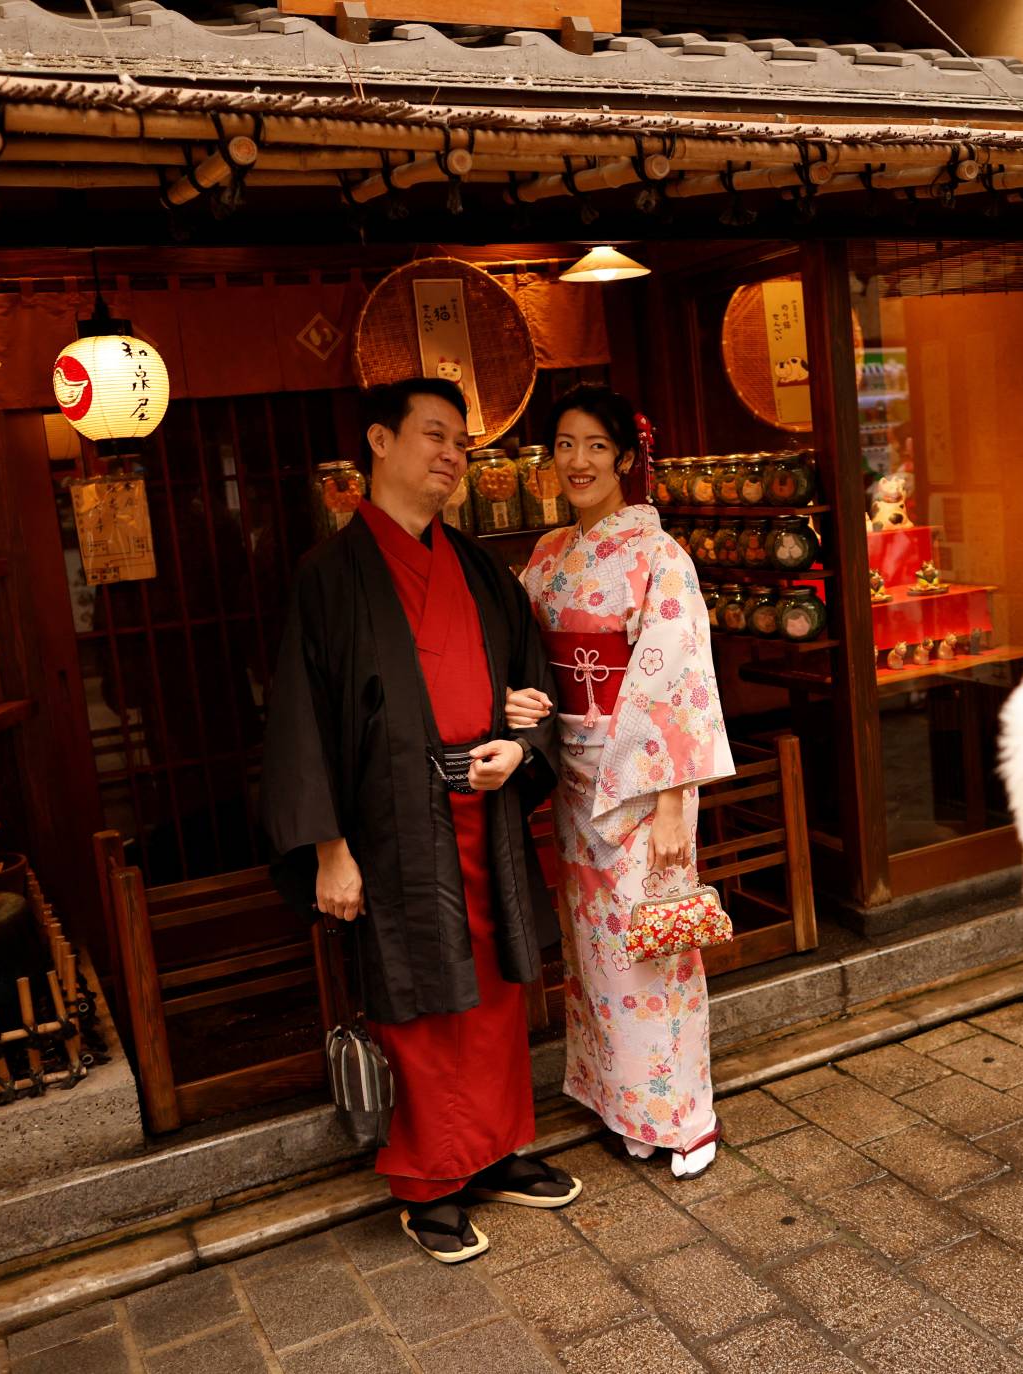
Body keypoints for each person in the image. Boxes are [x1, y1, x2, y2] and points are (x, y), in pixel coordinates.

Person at [260, 376, 580, 1264]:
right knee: (420, 1000)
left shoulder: (478, 566)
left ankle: (499, 1147)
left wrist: (523, 750)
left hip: (488, 809)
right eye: (434, 436)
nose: (451, 457)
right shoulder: (329, 577)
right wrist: (329, 849)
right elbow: (299, 719)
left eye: (462, 444)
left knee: (497, 987)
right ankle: (432, 1179)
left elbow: (533, 690)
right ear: (379, 441)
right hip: (390, 826)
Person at [504, 384, 734, 1179]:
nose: (578, 461)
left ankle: (684, 1115)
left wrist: (674, 805)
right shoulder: (547, 556)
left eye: (596, 446)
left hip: (642, 781)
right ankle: (619, 1100)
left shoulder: (658, 557)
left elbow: (678, 684)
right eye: (564, 445)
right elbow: (528, 654)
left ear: (627, 458)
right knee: (594, 947)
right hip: (572, 772)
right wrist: (524, 700)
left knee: (654, 947)